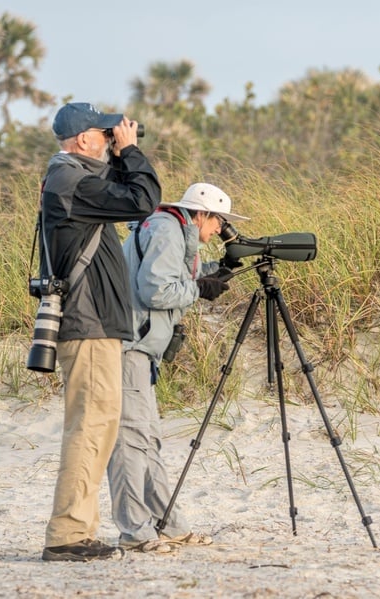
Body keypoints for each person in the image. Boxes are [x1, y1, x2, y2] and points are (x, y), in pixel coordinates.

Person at [39, 102, 161, 562]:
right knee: (90, 427)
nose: (113, 138)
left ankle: (78, 529)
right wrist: (129, 151)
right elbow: (141, 199)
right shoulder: (69, 179)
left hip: (96, 324)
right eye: (105, 133)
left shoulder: (74, 177)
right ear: (84, 139)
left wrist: (118, 153)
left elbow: (123, 193)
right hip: (86, 324)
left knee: (99, 427)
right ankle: (68, 534)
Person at [107, 182, 248, 553]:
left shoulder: (169, 228)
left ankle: (167, 525)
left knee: (147, 439)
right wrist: (201, 289)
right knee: (130, 441)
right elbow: (155, 291)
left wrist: (222, 270)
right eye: (219, 220)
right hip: (129, 346)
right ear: (201, 213)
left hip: (140, 349)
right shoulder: (169, 230)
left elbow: (174, 277)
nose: (220, 229)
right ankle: (134, 532)